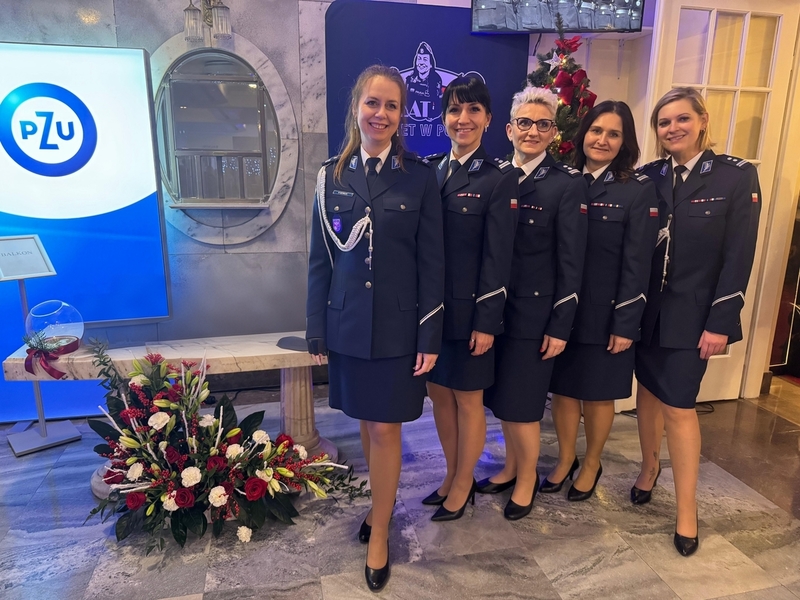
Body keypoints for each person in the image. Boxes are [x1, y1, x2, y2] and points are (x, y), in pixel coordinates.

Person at [306, 65, 444, 591]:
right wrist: (315, 326)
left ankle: (381, 530)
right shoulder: (331, 176)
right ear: (356, 107)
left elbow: (432, 264)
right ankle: (377, 505)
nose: (380, 114)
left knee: (386, 429)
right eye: (372, 103)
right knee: (366, 424)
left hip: (397, 329)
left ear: (402, 114)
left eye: (391, 105)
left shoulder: (419, 176)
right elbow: (320, 259)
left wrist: (429, 335)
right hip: (347, 325)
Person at [634, 87, 761, 557]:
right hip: (646, 313)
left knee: (679, 405)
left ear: (703, 120)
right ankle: (648, 467)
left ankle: (687, 511)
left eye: (682, 119)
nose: (673, 129)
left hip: (693, 317)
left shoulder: (734, 176)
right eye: (664, 122)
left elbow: (738, 256)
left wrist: (721, 321)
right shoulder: (649, 176)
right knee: (647, 393)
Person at [479, 86, 588, 520]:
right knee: (503, 400)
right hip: (495, 312)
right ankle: (510, 467)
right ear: (509, 129)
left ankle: (526, 479)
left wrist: (560, 326)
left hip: (534, 316)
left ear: (554, 133)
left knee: (523, 407)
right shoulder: (496, 175)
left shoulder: (566, 184)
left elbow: (572, 263)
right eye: (524, 122)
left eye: (543, 124)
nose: (532, 131)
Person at [545, 100, 658, 501]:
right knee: (562, 390)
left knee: (596, 393)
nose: (602, 140)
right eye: (596, 130)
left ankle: (591, 462)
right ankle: (565, 458)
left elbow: (638, 263)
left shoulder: (637, 190)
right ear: (583, 134)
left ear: (625, 142)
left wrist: (626, 323)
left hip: (605, 312)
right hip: (562, 310)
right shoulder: (564, 180)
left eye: (614, 134)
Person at [422, 76, 517, 521]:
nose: (464, 119)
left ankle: (465, 482)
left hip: (470, 313)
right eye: (455, 110)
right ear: (443, 118)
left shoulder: (498, 178)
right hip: (432, 313)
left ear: (488, 119)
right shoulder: (430, 171)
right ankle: (450, 473)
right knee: (439, 396)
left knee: (468, 400)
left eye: (473, 110)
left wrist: (486, 321)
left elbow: (499, 257)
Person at [405, 42, 444, 122]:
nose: (421, 63)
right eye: (419, 58)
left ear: (431, 64)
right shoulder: (410, 79)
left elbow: (437, 106)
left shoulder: (436, 80)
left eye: (425, 59)